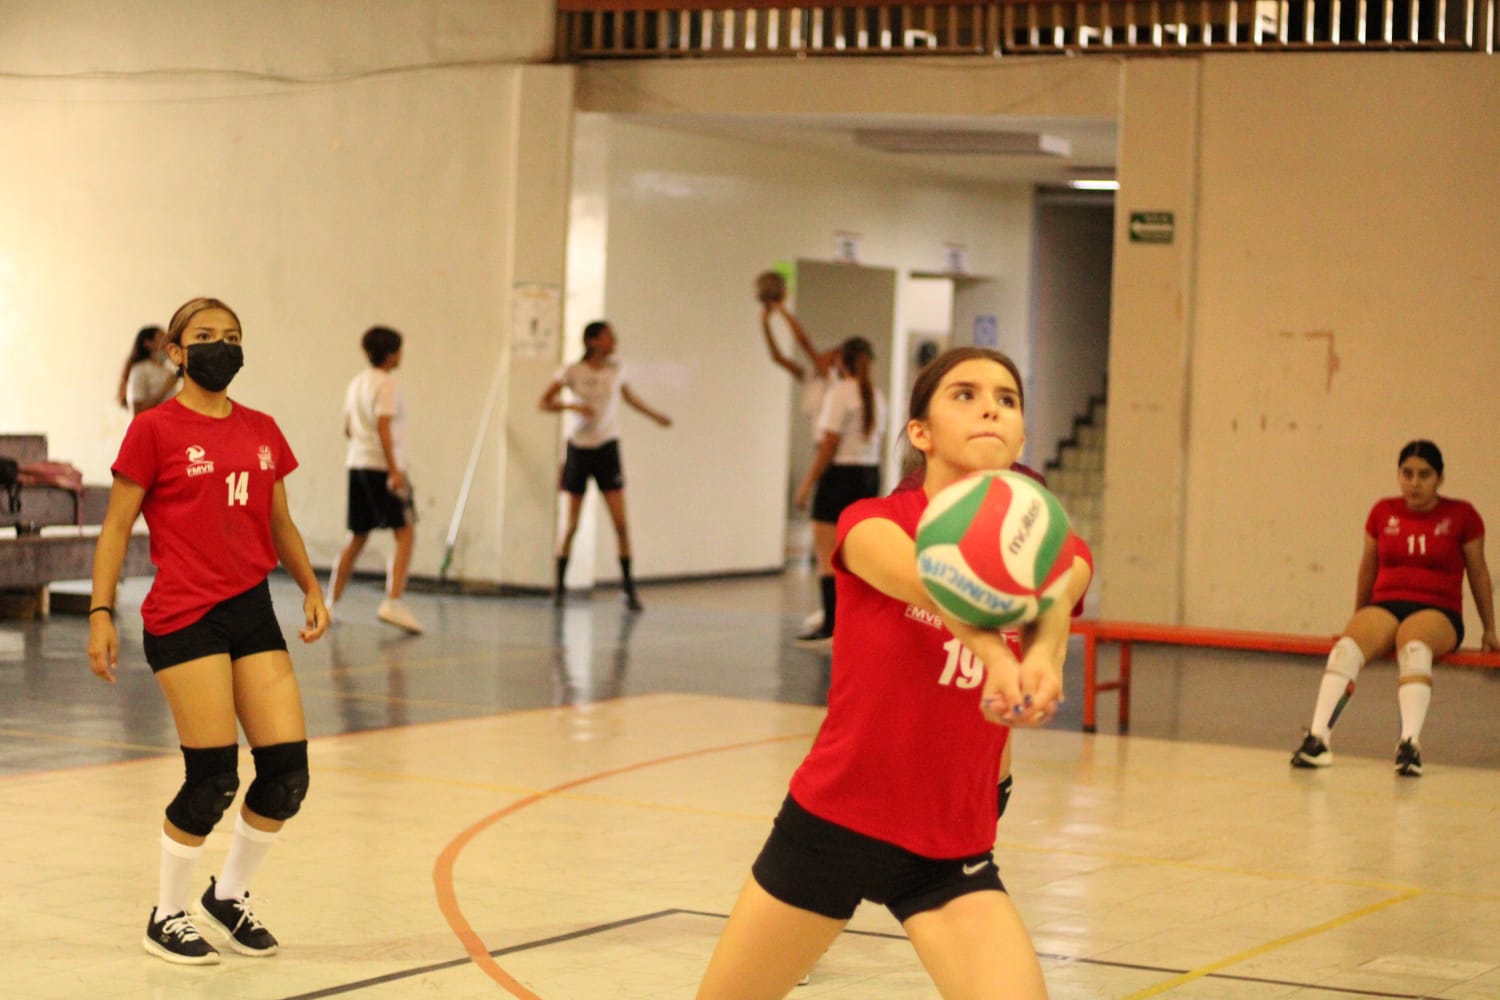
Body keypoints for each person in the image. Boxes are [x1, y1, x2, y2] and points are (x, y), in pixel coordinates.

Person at [696, 347, 1093, 1000]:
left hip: (952, 843)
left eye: (1007, 399)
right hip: (835, 824)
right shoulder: (871, 524)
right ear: (920, 433)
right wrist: (999, 659)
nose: (990, 408)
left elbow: (1056, 604)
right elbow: (939, 582)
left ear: (1022, 435)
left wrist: (1041, 666)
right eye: (964, 394)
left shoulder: (1054, 548)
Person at [87, 296, 328, 965]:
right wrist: (100, 612)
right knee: (213, 779)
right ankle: (166, 915)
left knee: (286, 776)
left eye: (231, 335)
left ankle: (228, 896)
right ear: (176, 351)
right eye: (204, 335)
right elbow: (115, 528)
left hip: (252, 609)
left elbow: (279, 522)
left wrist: (311, 586)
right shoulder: (154, 430)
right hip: (185, 615)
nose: (221, 345)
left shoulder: (262, 429)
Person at [1291, 440, 1497, 776]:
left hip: (1438, 610)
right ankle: (1318, 739)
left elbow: (1479, 573)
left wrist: (1489, 628)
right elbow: (1367, 568)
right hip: (1386, 605)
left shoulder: (1463, 516)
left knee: (1413, 645)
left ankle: (1409, 745)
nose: (1414, 483)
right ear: (1399, 475)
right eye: (1407, 474)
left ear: (1440, 478)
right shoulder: (1382, 512)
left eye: (1424, 475)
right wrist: (1358, 616)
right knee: (1345, 650)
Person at [540, 320, 672, 611]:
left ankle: (628, 587)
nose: (614, 342)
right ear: (593, 341)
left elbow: (631, 398)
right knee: (571, 525)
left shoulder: (616, 370)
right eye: (608, 337)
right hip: (579, 449)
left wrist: (655, 415)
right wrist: (573, 406)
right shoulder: (571, 371)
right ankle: (559, 587)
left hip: (607, 448)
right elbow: (545, 402)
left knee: (621, 523)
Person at [327, 325, 423, 634]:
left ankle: (329, 604)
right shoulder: (387, 384)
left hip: (357, 464)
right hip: (381, 468)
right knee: (405, 533)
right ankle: (393, 601)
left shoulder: (356, 383)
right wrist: (394, 471)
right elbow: (384, 427)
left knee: (356, 536)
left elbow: (347, 429)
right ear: (391, 354)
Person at [792, 337, 885, 645]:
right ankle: (857, 620)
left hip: (841, 475)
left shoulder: (840, 393)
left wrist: (806, 484)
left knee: (827, 552)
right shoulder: (876, 395)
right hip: (869, 474)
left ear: (842, 362)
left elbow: (829, 444)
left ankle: (832, 623)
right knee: (857, 553)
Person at [118, 324, 180, 414]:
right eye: (161, 338)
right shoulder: (140, 370)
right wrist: (166, 388)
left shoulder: (167, 369)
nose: (167, 342)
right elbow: (136, 412)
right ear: (148, 343)